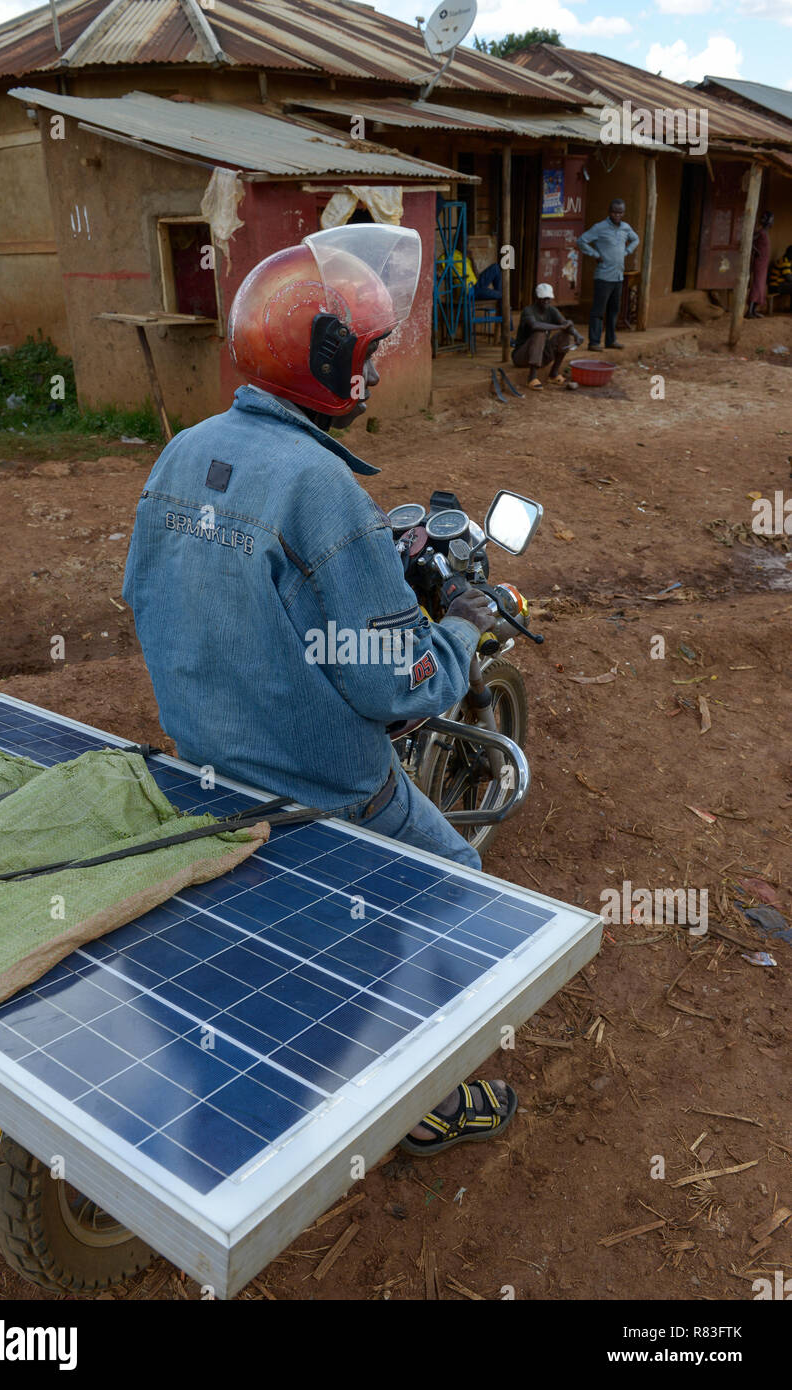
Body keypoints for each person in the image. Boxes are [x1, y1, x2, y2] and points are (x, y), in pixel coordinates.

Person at [123, 224, 517, 1155]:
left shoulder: (183, 455)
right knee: (459, 888)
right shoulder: (321, 486)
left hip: (206, 769)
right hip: (327, 790)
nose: (372, 375)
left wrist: (364, 561)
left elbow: (156, 592)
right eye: (368, 355)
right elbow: (401, 690)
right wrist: (460, 626)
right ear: (326, 361)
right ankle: (429, 1102)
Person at [577, 199, 640, 350]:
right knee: (598, 311)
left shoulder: (625, 227)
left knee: (614, 310)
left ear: (623, 213)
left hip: (618, 277)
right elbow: (581, 241)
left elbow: (635, 239)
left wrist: (627, 251)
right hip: (603, 277)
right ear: (609, 212)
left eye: (620, 212)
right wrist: (595, 254)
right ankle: (594, 342)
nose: (617, 215)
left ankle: (611, 340)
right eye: (614, 212)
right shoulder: (600, 227)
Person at [512, 283, 583, 389]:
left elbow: (565, 325)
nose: (546, 301)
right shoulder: (528, 310)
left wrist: (576, 334)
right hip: (521, 357)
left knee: (564, 335)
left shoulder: (551, 310)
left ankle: (553, 374)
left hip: (541, 356)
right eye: (543, 298)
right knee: (540, 333)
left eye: (548, 298)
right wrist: (559, 326)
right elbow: (535, 325)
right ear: (536, 298)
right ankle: (532, 378)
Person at [747, 211, 774, 318]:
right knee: (757, 285)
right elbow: (749, 241)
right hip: (759, 262)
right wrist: (757, 251)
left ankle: (753, 311)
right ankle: (749, 312)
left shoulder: (764, 232)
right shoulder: (761, 232)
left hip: (763, 263)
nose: (772, 222)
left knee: (760, 285)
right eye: (771, 219)